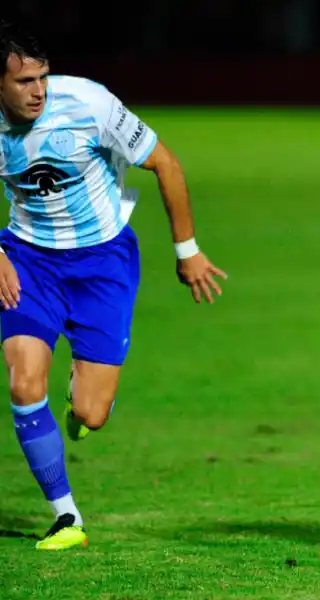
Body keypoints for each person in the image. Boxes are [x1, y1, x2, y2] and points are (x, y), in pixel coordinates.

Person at [0, 21, 227, 550]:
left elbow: (165, 164)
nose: (38, 91)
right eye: (24, 81)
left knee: (90, 414)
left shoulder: (89, 104)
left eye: (43, 77)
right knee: (23, 382)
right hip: (28, 259)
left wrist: (187, 252)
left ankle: (79, 411)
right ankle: (66, 518)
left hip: (102, 263)